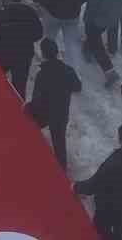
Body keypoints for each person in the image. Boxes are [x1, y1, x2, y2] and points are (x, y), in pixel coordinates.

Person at [26, 38, 81, 170]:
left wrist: (27, 109)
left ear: (43, 54)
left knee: (27, 128)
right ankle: (62, 172)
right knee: (59, 145)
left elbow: (36, 100)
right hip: (61, 114)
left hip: (44, 113)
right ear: (57, 52)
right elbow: (78, 87)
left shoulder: (42, 74)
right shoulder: (68, 70)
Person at [0, 0, 44, 96]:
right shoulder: (30, 12)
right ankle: (17, 110)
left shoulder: (3, 13)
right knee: (19, 86)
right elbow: (38, 34)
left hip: (2, 54)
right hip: (24, 55)